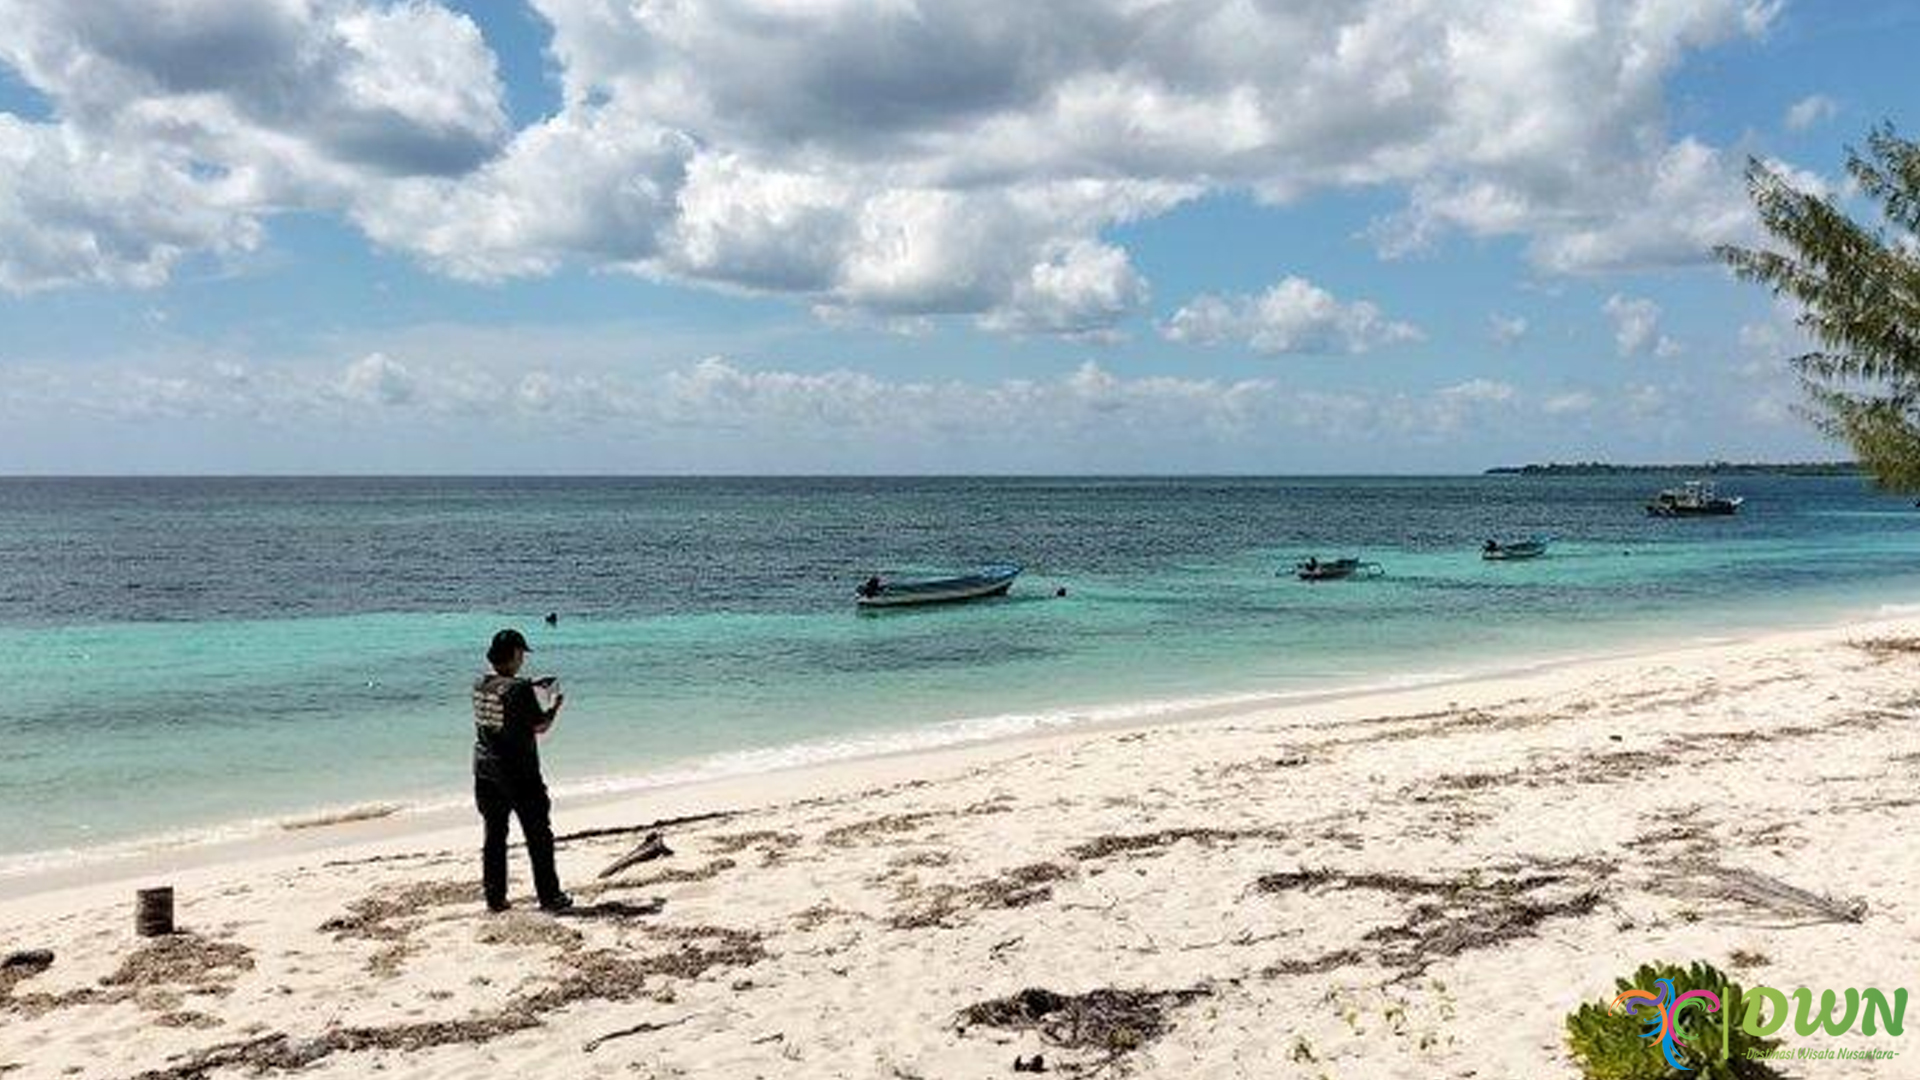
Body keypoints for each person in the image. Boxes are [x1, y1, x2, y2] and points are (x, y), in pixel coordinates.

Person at [471, 628, 571, 913]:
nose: (523, 660)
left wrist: (528, 684)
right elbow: (540, 726)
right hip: (518, 771)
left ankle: (495, 897)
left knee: (494, 835)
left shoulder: (479, 683)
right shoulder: (520, 690)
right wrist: (554, 706)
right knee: (538, 835)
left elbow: (502, 693)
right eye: (521, 655)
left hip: (485, 769)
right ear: (515, 653)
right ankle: (550, 897)